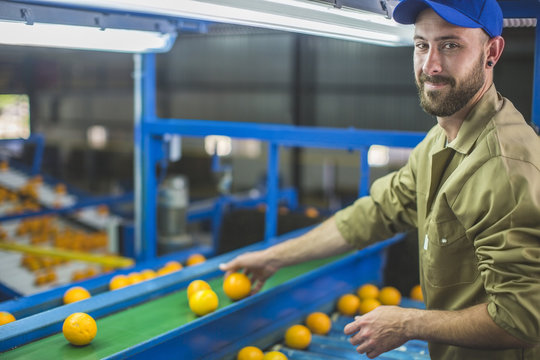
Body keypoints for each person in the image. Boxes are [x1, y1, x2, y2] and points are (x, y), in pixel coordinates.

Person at [220, 0, 540, 358]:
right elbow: (376, 212)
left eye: (451, 45)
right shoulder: (442, 138)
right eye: (422, 45)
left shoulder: (504, 168)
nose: (430, 65)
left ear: (491, 52)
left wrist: (408, 323)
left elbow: (522, 317)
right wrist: (274, 257)